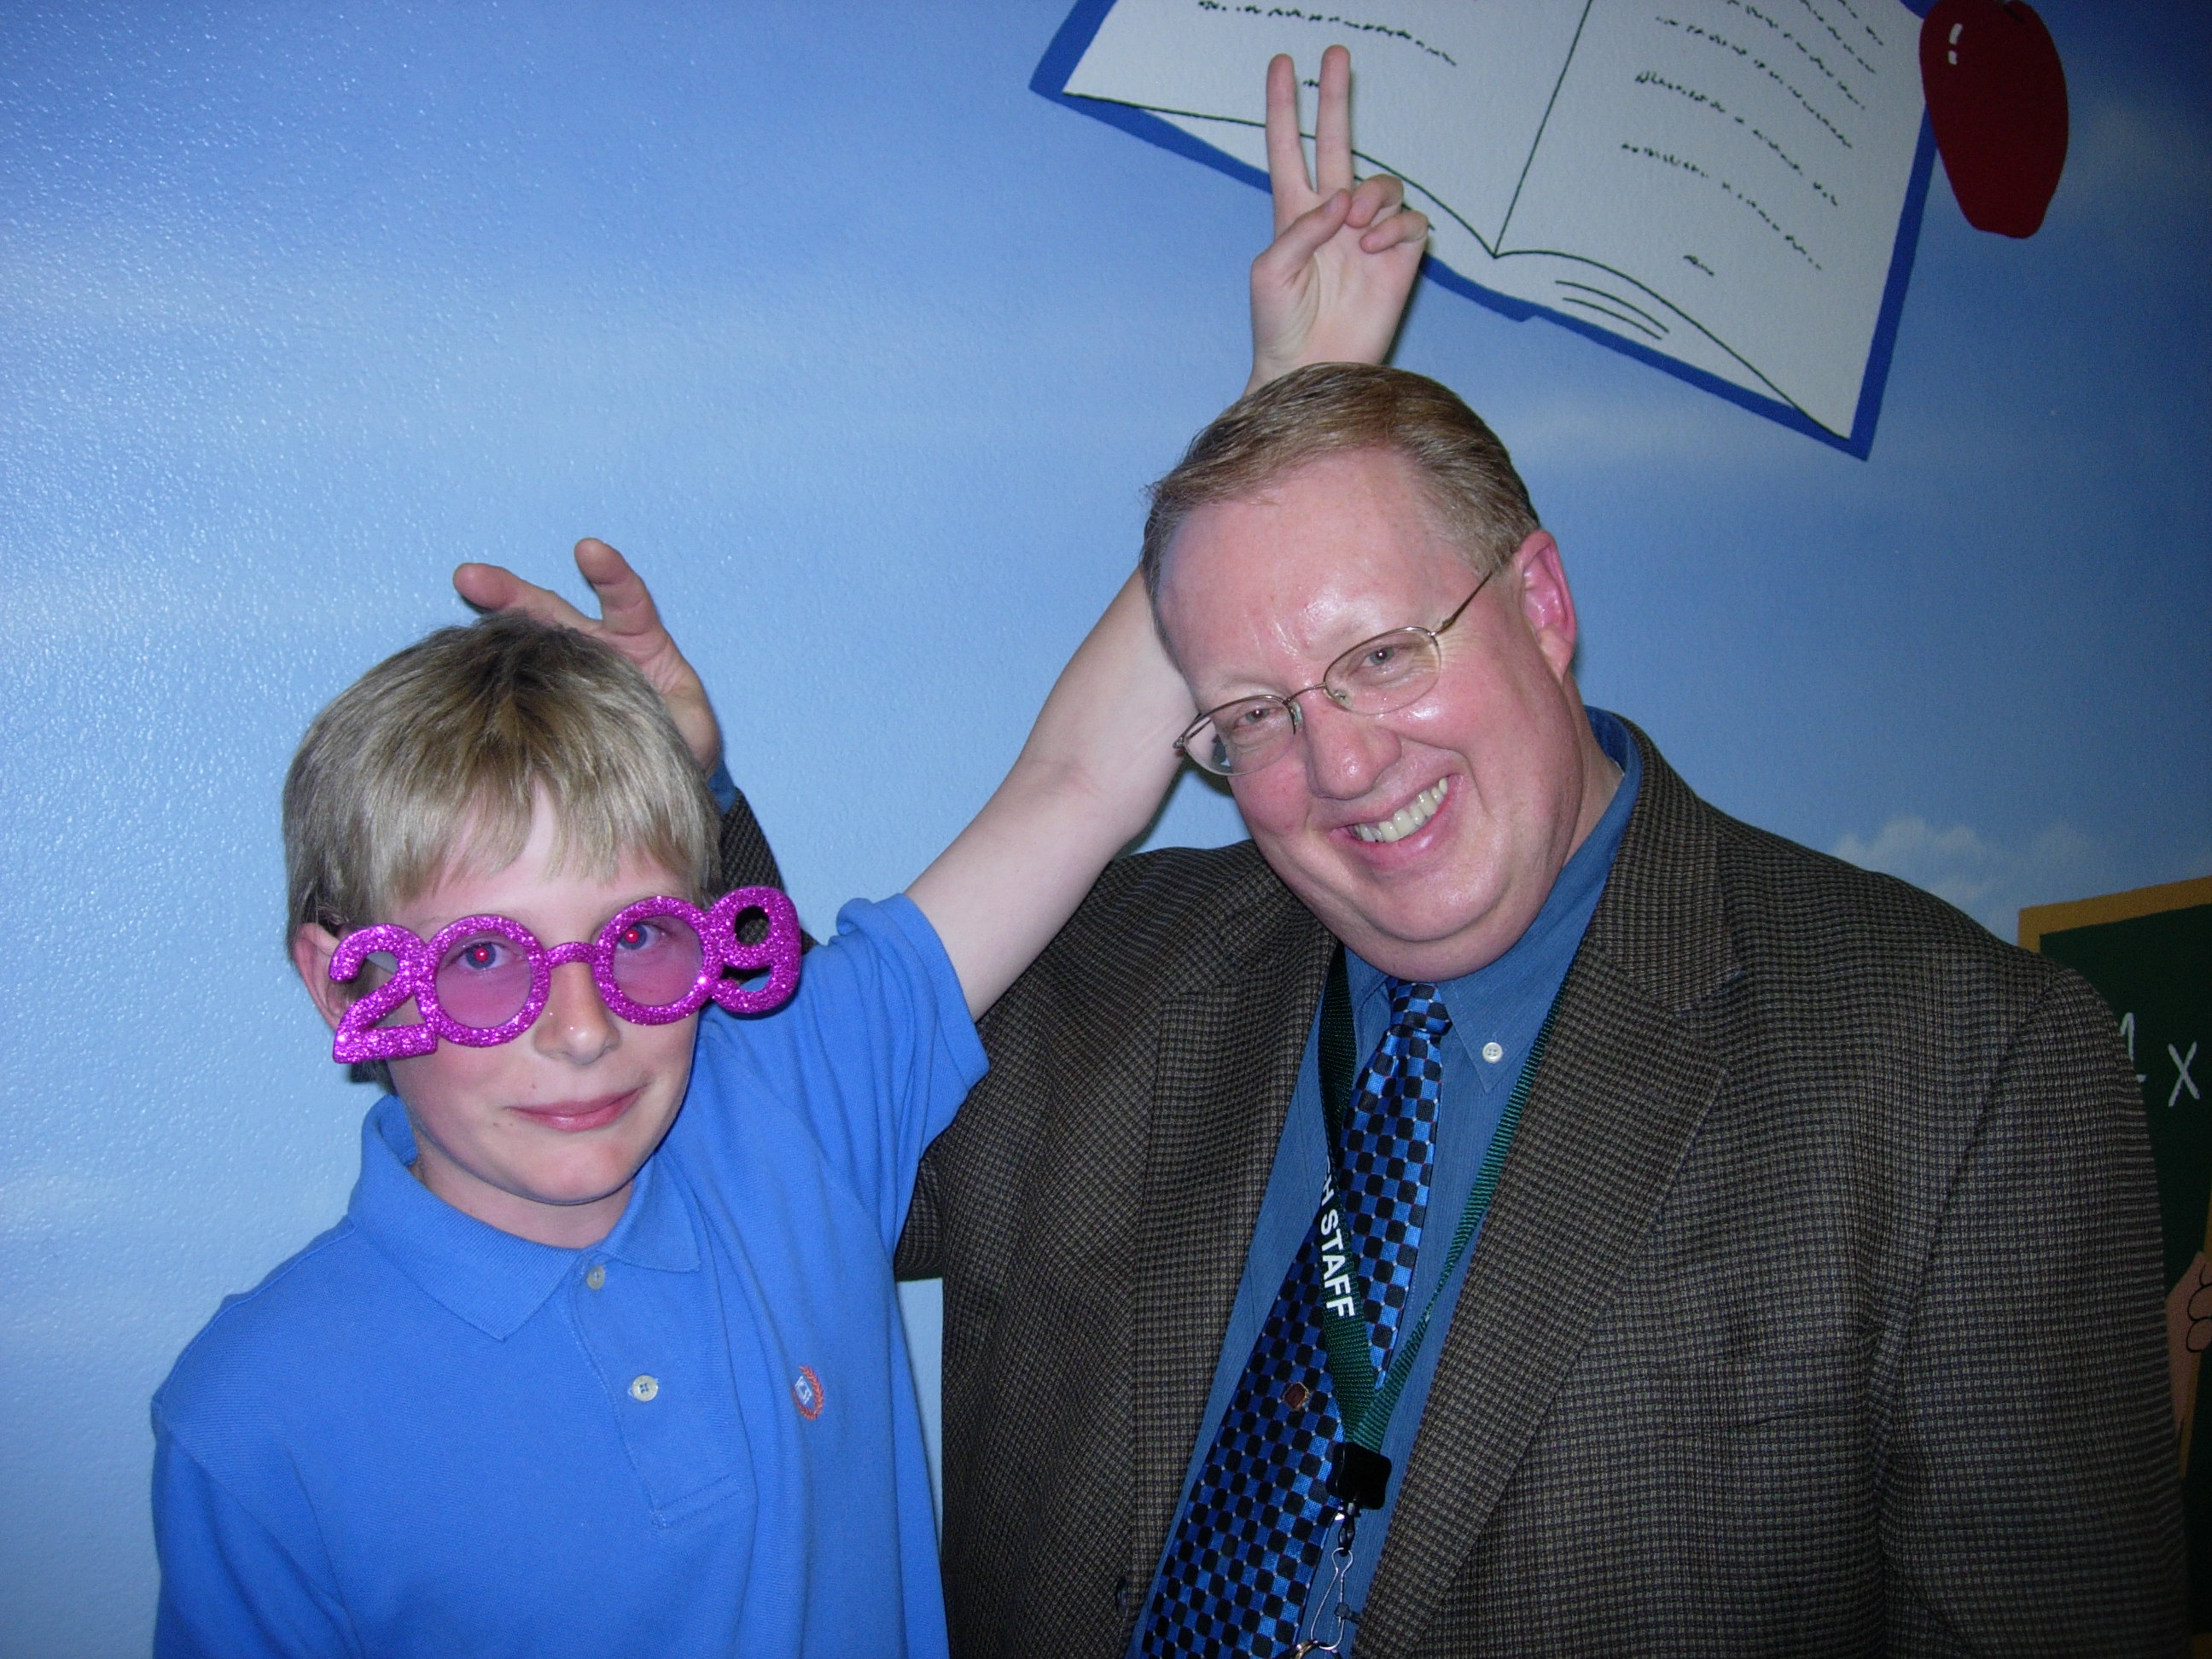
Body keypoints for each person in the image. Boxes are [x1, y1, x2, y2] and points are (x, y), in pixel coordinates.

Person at [490, 44, 2186, 1659]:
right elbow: (793, 1139)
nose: (1342, 763)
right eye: (1253, 715)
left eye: (1384, 652)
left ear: (1541, 599)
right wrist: (671, 816)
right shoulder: (1105, 973)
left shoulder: (1957, 1075)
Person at [148, 574, 1194, 1656]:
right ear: (348, 986)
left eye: (639, 937)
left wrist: (1245, 478)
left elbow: (1079, 780)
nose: (582, 1030)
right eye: (483, 956)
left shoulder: (791, 1100)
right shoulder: (255, 1423)